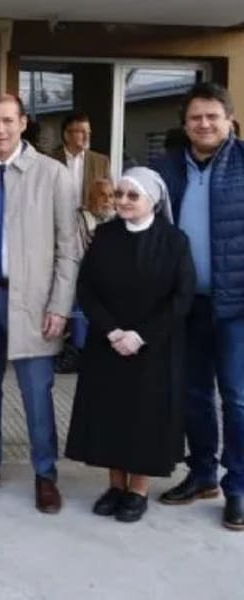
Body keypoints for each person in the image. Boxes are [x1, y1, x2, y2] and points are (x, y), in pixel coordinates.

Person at [0, 94, 78, 514]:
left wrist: (60, 305)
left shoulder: (54, 174)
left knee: (36, 392)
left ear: (23, 123)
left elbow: (69, 247)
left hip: (36, 301)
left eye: (8, 121)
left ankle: (45, 475)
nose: (0, 130)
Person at [65, 167, 195, 523]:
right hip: (107, 344)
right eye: (119, 194)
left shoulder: (174, 241)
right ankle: (115, 485)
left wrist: (140, 335)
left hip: (154, 347)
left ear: (152, 200)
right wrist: (111, 331)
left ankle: (137, 489)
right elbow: (86, 288)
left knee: (145, 418)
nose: (122, 201)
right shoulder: (104, 235)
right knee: (110, 416)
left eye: (132, 196)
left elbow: (181, 297)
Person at [154, 82, 244, 531]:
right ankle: (203, 473)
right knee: (192, 394)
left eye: (212, 116)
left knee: (238, 397)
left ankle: (239, 486)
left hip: (236, 305)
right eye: (195, 118)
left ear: (229, 119)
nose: (204, 124)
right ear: (185, 124)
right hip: (185, 304)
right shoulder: (166, 167)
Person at [56, 178, 117, 373]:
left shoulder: (119, 221)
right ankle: (80, 351)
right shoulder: (79, 220)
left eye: (110, 196)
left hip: (112, 281)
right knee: (81, 301)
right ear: (90, 199)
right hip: (83, 278)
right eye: (102, 196)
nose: (107, 200)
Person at [52, 111, 111, 208]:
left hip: (91, 220)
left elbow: (109, 196)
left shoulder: (101, 162)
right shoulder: (50, 161)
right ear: (66, 135)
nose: (87, 137)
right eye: (81, 132)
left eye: (88, 132)